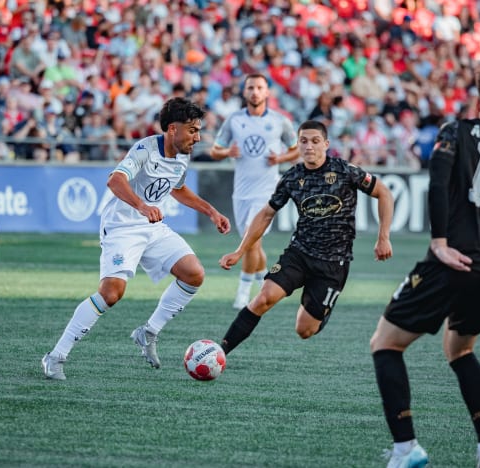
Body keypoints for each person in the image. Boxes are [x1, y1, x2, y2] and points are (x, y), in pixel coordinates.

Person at [368, 63, 480, 468]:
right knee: (460, 349)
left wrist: (439, 242)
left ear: (479, 98)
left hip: (452, 257)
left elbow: (437, 181)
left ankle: (405, 449)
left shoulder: (457, 130)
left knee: (385, 343)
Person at [41, 97, 231, 380]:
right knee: (111, 294)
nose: (198, 137)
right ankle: (55, 357)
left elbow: (177, 188)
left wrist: (211, 211)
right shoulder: (144, 149)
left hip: (153, 228)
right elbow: (115, 180)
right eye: (192, 130)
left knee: (194, 274)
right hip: (123, 227)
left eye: (198, 130)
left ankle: (148, 332)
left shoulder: (182, 155)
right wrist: (141, 206)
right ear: (172, 129)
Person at [218, 120, 394, 355]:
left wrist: (383, 237)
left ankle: (321, 310)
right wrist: (240, 251)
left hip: (333, 263)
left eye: (315, 141)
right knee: (264, 298)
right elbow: (267, 213)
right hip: (299, 253)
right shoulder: (292, 178)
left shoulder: (345, 171)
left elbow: (384, 193)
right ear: (297, 145)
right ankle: (219, 352)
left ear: (326, 144)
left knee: (304, 330)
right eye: (303, 141)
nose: (309, 146)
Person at [210, 73, 299, 310]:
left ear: (267, 92)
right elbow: (214, 151)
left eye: (260, 87)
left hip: (267, 192)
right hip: (241, 192)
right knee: (253, 242)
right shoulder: (234, 120)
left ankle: (243, 294)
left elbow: (296, 150)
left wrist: (280, 157)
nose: (255, 92)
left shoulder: (280, 121)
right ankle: (266, 283)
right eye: (250, 87)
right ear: (244, 91)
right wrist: (227, 152)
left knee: (251, 238)